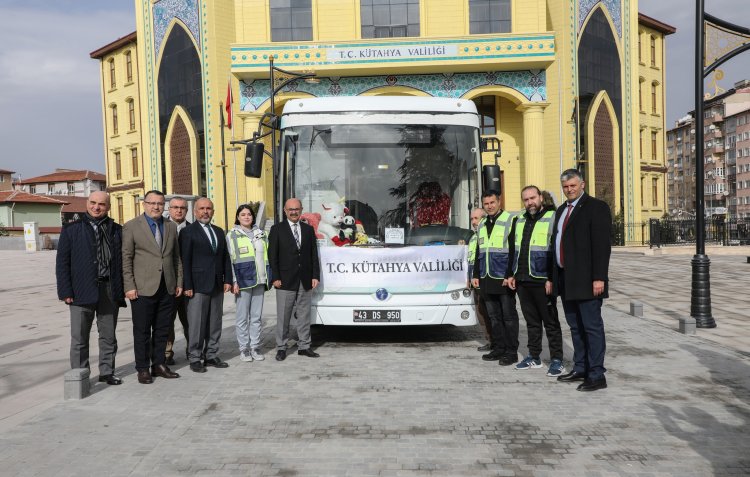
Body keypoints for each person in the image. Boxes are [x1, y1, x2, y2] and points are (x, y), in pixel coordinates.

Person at [551, 169, 612, 392]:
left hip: (588, 281)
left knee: (591, 327)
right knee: (575, 327)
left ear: (582, 184)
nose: (569, 190)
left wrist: (599, 278)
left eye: (573, 186)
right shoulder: (560, 211)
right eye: (565, 187)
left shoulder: (596, 208)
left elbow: (602, 247)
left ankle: (596, 374)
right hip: (567, 279)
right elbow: (556, 245)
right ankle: (580, 367)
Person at [56, 191, 125, 385]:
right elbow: (62, 263)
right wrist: (65, 291)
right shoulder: (71, 230)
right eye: (93, 203)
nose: (96, 207)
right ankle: (80, 376)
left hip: (109, 291)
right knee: (79, 338)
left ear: (108, 207)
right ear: (87, 204)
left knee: (108, 336)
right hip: (80, 291)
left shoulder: (117, 230)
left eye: (101, 204)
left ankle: (107, 372)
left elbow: (121, 261)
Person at [122, 190, 183, 384]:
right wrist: (129, 286)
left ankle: (159, 364)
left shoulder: (170, 226)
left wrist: (179, 282)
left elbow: (176, 258)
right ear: (144, 204)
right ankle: (142, 368)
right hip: (142, 288)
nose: (156, 207)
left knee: (162, 328)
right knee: (141, 330)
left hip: (167, 286)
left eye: (160, 203)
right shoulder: (131, 227)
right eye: (152, 203)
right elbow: (126, 258)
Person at [507, 186, 565, 377]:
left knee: (550, 322)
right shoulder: (519, 220)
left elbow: (554, 252)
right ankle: (534, 356)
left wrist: (551, 279)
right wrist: (512, 274)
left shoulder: (552, 217)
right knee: (532, 322)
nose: (530, 202)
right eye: (526, 199)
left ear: (540, 197)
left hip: (542, 280)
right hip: (523, 279)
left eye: (533, 198)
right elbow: (514, 250)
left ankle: (557, 359)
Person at [180, 197, 233, 373]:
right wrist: (187, 284)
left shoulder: (219, 231)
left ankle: (211, 354)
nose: (205, 212)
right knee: (196, 323)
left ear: (213, 211)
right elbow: (185, 260)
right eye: (201, 208)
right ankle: (195, 357)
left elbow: (225, 257)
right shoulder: (188, 232)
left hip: (217, 284)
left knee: (214, 322)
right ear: (195, 212)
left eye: (208, 209)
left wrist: (227, 280)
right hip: (197, 285)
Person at [268, 197, 321, 361]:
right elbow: (272, 256)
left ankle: (304, 346)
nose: (293, 212)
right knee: (283, 316)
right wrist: (275, 277)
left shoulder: (308, 229)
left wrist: (315, 275)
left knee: (304, 315)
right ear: (285, 211)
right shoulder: (277, 229)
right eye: (290, 209)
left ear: (301, 210)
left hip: (305, 279)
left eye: (296, 209)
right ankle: (281, 347)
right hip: (284, 280)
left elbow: (313, 254)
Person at [471, 190, 520, 366]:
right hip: (486, 277)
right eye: (486, 204)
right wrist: (476, 274)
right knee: (494, 317)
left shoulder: (510, 220)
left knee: (508, 316)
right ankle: (498, 348)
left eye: (492, 202)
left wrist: (510, 274)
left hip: (503, 278)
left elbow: (514, 250)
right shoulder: (483, 223)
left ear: (499, 201)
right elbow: (479, 251)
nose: (490, 206)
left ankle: (511, 351)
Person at [226, 204, 270, 362]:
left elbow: (267, 256)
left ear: (253, 216)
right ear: (238, 217)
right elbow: (230, 260)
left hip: (259, 280)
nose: (246, 217)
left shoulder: (262, 234)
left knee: (256, 317)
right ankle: (244, 349)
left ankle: (255, 346)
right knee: (242, 317)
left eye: (249, 214)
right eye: (243, 214)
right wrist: (233, 281)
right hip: (243, 281)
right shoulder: (232, 235)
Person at [165, 196, 190, 365]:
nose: (179, 210)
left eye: (182, 207)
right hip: (168, 284)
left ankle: (193, 350)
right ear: (170, 209)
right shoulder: (162, 227)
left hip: (189, 285)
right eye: (175, 207)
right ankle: (167, 353)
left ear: (187, 210)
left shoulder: (193, 229)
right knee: (167, 322)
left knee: (190, 321)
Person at [468, 207, 492, 351]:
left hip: (485, 279)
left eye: (476, 218)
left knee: (490, 312)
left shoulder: (487, 234)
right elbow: (471, 260)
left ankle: (497, 341)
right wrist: (468, 278)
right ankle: (490, 340)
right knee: (481, 313)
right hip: (474, 281)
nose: (473, 222)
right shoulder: (472, 237)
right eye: (471, 219)